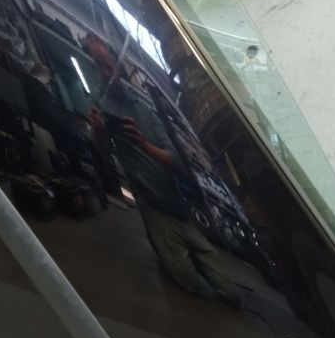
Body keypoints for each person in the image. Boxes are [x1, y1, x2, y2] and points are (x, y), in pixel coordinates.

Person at [83, 33, 237, 305]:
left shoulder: (145, 106)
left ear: (118, 65)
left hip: (178, 206)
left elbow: (177, 162)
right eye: (99, 67)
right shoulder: (101, 106)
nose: (107, 73)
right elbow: (103, 153)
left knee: (229, 292)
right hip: (153, 208)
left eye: (109, 65)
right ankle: (166, 253)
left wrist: (142, 144)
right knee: (190, 283)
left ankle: (171, 253)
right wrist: (98, 131)